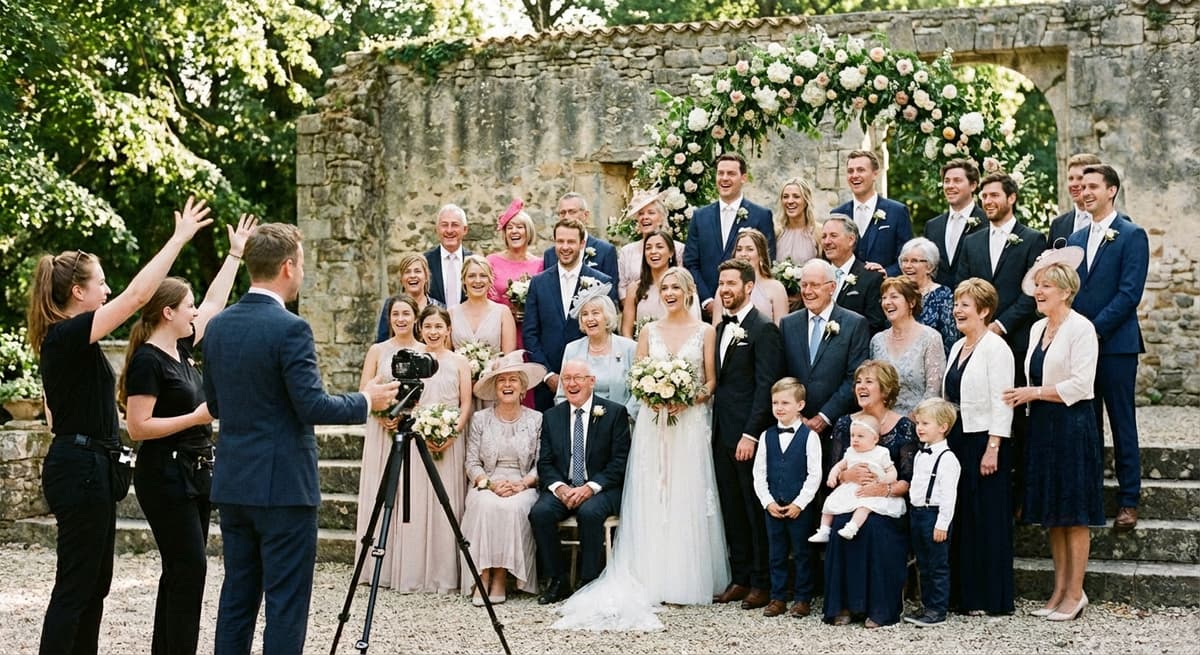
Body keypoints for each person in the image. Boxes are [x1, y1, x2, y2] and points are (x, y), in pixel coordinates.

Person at [202, 222, 399, 654]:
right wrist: (368, 400)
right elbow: (314, 406)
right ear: (288, 267)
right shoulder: (291, 329)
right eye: (304, 264)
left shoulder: (216, 327)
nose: (304, 273)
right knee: (286, 605)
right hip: (284, 489)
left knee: (236, 599)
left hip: (234, 484)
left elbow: (214, 405)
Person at [29, 197, 213, 655]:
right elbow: (136, 297)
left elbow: (53, 412)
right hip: (82, 468)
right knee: (77, 585)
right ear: (77, 291)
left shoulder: (68, 344)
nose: (107, 291)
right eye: (100, 283)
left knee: (95, 584)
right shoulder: (67, 335)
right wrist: (179, 237)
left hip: (90, 466)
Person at [553, 267, 729, 631]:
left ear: (689, 292)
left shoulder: (706, 331)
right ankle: (650, 575)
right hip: (653, 423)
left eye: (675, 288)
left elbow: (711, 380)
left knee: (685, 494)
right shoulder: (647, 331)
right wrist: (655, 396)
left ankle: (685, 578)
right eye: (664, 287)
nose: (669, 293)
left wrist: (690, 397)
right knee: (653, 494)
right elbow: (638, 378)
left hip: (690, 423)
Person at [119, 214, 255, 655]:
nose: (196, 311)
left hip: (196, 473)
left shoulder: (179, 349)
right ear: (168, 312)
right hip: (164, 477)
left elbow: (214, 305)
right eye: (188, 305)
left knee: (182, 572)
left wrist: (235, 254)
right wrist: (196, 418)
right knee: (189, 568)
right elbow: (138, 427)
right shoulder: (147, 361)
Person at [1001, 250, 1103, 621]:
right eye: (1037, 286)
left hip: (1073, 425)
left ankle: (1076, 594)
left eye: (1046, 286)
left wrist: (1032, 393)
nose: (1038, 292)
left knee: (1074, 513)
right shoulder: (1036, 329)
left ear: (1065, 291)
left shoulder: (1082, 329)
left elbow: (1081, 384)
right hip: (1042, 426)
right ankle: (1058, 590)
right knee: (1053, 514)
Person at [1066, 164, 1149, 531]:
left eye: (1093, 187)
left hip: (1116, 346)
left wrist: (1091, 331)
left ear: (1111, 190)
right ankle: (1092, 497)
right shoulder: (1074, 240)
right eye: (1081, 187)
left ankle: (1129, 498)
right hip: (1080, 349)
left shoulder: (1132, 235)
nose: (1085, 193)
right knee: (1086, 423)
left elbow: (1130, 293)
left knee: (1121, 419)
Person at [821, 360, 918, 627]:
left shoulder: (903, 426)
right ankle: (843, 605)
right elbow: (836, 469)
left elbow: (908, 480)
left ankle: (880, 608)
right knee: (841, 524)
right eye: (858, 382)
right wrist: (845, 475)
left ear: (885, 390)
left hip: (887, 500)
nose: (861, 387)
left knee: (875, 527)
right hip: (851, 496)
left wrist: (883, 489)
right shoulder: (844, 424)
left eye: (869, 382)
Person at [711, 259, 784, 611]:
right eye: (721, 283)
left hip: (746, 437)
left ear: (748, 286)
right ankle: (740, 577)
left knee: (754, 511)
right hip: (721, 433)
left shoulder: (763, 329)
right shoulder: (722, 327)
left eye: (731, 284)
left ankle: (762, 581)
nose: (725, 289)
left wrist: (750, 434)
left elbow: (765, 386)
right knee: (732, 508)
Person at [529, 359, 631, 604]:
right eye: (567, 379)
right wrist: (560, 488)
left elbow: (620, 462)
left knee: (590, 513)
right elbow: (545, 462)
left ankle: (590, 582)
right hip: (564, 488)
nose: (572, 384)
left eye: (578, 378)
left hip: (600, 488)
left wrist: (589, 487)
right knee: (539, 513)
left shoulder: (614, 413)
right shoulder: (552, 416)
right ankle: (558, 580)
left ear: (591, 382)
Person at [388, 305, 473, 593]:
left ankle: (444, 575)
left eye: (439, 327)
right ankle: (414, 574)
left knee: (445, 502)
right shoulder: (411, 360)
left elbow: (465, 403)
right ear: (420, 329)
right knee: (417, 501)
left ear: (448, 329)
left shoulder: (460, 362)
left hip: (450, 439)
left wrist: (452, 432)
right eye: (428, 327)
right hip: (417, 437)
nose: (434, 332)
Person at [943, 278, 1015, 616]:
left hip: (985, 440)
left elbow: (1003, 401)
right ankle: (965, 595)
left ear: (984, 311)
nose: (958, 309)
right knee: (964, 517)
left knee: (987, 518)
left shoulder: (996, 348)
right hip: (957, 437)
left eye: (965, 305)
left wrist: (994, 446)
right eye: (956, 303)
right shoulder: (958, 347)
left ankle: (991, 597)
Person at [461, 351, 547, 605]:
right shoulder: (480, 419)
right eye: (501, 380)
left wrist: (523, 484)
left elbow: (541, 464)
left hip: (523, 483)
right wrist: (488, 483)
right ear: (495, 387)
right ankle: (482, 575)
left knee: (513, 508)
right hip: (487, 481)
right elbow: (471, 462)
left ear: (522, 388)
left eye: (513, 380)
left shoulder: (537, 419)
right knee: (485, 505)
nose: (507, 385)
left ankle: (499, 577)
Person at [353, 294, 423, 588]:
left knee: (410, 495)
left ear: (415, 317)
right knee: (379, 492)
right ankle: (375, 567)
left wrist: (409, 414)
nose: (401, 319)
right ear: (389, 318)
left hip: (412, 429)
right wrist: (383, 414)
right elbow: (364, 389)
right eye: (396, 314)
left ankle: (407, 566)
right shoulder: (377, 350)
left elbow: (430, 392)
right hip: (382, 429)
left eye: (406, 313)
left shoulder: (425, 350)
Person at [523, 217, 618, 410]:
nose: (565, 247)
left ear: (582, 243)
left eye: (571, 242)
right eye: (560, 241)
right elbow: (530, 333)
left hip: (591, 378)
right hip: (547, 384)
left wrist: (583, 376)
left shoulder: (601, 282)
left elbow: (607, 330)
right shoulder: (538, 283)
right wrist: (548, 375)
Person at [953, 173, 1047, 362]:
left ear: (1011, 198)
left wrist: (1001, 325)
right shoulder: (971, 242)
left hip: (1017, 339)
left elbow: (1033, 291)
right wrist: (978, 326)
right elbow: (962, 287)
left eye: (994, 195)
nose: (987, 201)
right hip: (975, 338)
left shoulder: (1032, 239)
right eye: (984, 196)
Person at [752, 378, 822, 618]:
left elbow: (815, 475)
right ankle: (778, 596)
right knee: (776, 553)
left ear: (800, 405)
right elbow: (759, 473)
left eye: (785, 402)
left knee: (803, 553)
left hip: (798, 507)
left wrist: (799, 503)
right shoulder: (766, 436)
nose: (779, 408)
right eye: (775, 403)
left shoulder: (810, 437)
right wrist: (767, 501)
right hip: (773, 505)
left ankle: (803, 598)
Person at [779, 259, 870, 441]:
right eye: (804, 285)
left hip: (838, 426)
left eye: (814, 285)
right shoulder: (788, 323)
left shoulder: (854, 324)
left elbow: (854, 376)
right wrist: (797, 415)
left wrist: (824, 416)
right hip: (796, 425)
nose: (807, 291)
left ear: (832, 287)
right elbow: (781, 372)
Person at [684, 152, 775, 317]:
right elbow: (691, 263)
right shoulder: (699, 216)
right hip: (705, 310)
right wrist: (707, 301)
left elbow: (767, 261)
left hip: (748, 306)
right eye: (720, 173)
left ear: (743, 178)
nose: (724, 178)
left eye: (731, 173)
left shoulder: (761, 216)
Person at [903, 398, 962, 628]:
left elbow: (949, 496)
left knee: (937, 565)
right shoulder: (921, 454)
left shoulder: (948, 459)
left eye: (925, 423)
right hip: (918, 514)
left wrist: (942, 524)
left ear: (943, 427)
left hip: (934, 516)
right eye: (918, 423)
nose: (919, 428)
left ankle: (937, 609)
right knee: (923, 564)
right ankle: (926, 605)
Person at [809, 414, 905, 542]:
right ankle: (824, 530)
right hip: (850, 489)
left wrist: (885, 481)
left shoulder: (881, 453)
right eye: (852, 436)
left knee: (864, 507)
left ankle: (852, 527)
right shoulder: (850, 452)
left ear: (875, 439)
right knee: (829, 504)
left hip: (871, 489)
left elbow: (892, 471)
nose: (855, 440)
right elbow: (839, 466)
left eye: (860, 436)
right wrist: (832, 476)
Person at [869, 276, 946, 416]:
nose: (887, 302)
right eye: (884, 298)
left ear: (911, 302)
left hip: (919, 422)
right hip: (882, 421)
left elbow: (934, 391)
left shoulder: (930, 338)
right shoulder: (877, 341)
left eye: (894, 297)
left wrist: (906, 422)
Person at [557, 288, 638, 417]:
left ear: (607, 316)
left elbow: (638, 393)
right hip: (582, 423)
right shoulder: (572, 349)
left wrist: (623, 417)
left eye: (595, 313)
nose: (589, 319)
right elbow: (562, 394)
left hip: (622, 423)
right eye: (584, 314)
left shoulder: (629, 348)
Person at [831, 150, 913, 276]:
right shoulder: (838, 215)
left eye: (861, 170)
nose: (854, 175)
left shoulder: (897, 212)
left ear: (875, 174)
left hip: (885, 290)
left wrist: (887, 273)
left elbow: (907, 256)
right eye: (850, 171)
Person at [621, 228, 699, 337]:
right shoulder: (635, 288)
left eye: (659, 247)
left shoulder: (683, 285)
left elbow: (694, 325)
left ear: (671, 252)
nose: (653, 251)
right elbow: (626, 330)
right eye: (648, 248)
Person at [486, 199, 544, 340]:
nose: (514, 231)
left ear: (528, 231)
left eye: (519, 227)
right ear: (505, 233)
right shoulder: (491, 261)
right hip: (497, 332)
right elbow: (483, 299)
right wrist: (507, 313)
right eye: (510, 227)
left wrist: (528, 312)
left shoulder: (540, 264)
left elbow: (544, 303)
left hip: (530, 334)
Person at [923, 158, 986, 286]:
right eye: (947, 181)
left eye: (957, 181)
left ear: (973, 185)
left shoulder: (987, 223)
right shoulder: (932, 226)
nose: (950, 186)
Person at [821, 214, 887, 335]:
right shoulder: (818, 275)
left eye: (833, 236)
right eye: (824, 236)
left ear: (851, 239)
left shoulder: (871, 277)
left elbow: (875, 324)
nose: (826, 242)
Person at [616, 189, 685, 301]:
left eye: (651, 213)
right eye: (641, 214)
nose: (645, 217)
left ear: (661, 218)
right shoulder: (627, 251)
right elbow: (622, 287)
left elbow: (684, 284)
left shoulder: (678, 248)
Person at [900, 237, 959, 355]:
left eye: (914, 261)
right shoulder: (897, 293)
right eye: (904, 260)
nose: (907, 266)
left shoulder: (943, 295)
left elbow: (950, 339)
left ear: (930, 267)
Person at [543, 192, 619, 282]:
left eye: (572, 212)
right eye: (562, 213)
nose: (566, 217)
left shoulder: (605, 251)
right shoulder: (550, 254)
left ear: (585, 215)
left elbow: (611, 289)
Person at [450, 254, 517, 355]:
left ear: (490, 280)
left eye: (483, 275)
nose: (477, 281)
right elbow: (445, 356)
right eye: (472, 276)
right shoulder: (451, 313)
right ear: (464, 280)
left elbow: (509, 358)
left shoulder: (503, 313)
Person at [724, 227, 788, 325]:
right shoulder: (724, 286)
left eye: (749, 249)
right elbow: (717, 328)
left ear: (761, 254)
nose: (743, 254)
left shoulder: (776, 288)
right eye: (739, 249)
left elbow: (781, 329)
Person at [374, 253, 442, 342]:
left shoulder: (438, 307)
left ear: (426, 277)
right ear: (401, 279)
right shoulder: (391, 304)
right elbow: (382, 340)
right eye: (407, 272)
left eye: (417, 271)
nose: (412, 276)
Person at [1048, 153, 1103, 248]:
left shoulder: (1115, 222)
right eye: (1070, 178)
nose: (1074, 184)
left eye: (1080, 178)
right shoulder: (1058, 225)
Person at [425, 204, 472, 308]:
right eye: (444, 225)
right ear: (437, 229)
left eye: (455, 225)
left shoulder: (474, 261)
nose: (449, 230)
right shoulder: (425, 262)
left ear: (465, 230)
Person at [775, 177, 821, 267]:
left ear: (806, 200)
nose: (790, 201)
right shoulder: (776, 233)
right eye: (785, 197)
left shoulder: (818, 232)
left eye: (796, 196)